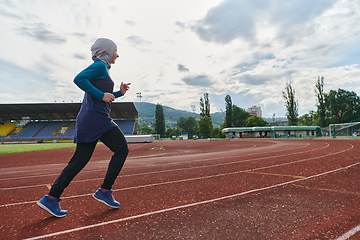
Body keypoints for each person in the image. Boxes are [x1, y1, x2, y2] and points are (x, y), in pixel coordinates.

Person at [37, 38, 131, 217]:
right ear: (107, 51)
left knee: (79, 160)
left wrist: (119, 93)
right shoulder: (100, 66)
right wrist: (101, 95)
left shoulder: (101, 68)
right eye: (115, 51)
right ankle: (104, 191)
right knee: (121, 150)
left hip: (91, 119)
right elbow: (79, 79)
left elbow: (102, 97)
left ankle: (51, 198)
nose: (117, 55)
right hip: (97, 119)